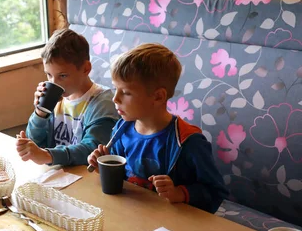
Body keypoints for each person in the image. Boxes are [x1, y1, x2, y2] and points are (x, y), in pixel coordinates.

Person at [87, 43, 228, 213]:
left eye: (126, 92)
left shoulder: (189, 142)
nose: (115, 98)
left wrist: (180, 193)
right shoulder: (121, 129)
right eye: (115, 89)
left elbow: (216, 192)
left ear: (158, 96)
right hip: (131, 215)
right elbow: (122, 180)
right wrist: (104, 166)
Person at [15, 28, 118, 166]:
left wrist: (48, 156)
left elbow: (92, 149)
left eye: (62, 76)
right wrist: (40, 114)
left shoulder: (103, 102)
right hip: (59, 175)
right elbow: (36, 143)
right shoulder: (57, 99)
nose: (54, 83)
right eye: (49, 75)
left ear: (86, 69)